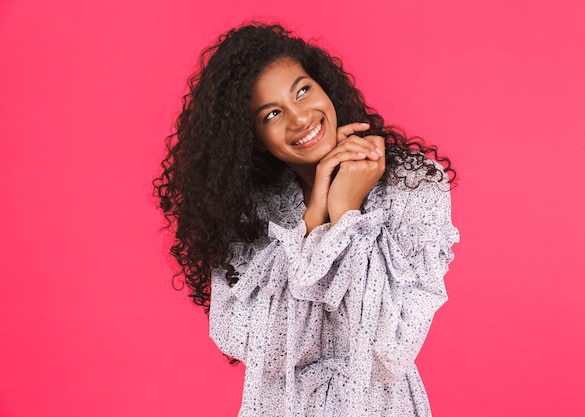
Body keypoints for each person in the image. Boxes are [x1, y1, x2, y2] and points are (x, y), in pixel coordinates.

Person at [154, 22, 459, 417]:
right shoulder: (244, 214)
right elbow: (265, 351)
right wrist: (315, 222)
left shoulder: (412, 185)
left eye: (302, 90)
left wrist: (346, 213)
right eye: (272, 113)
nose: (300, 119)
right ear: (251, 136)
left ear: (324, 84)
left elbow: (390, 349)